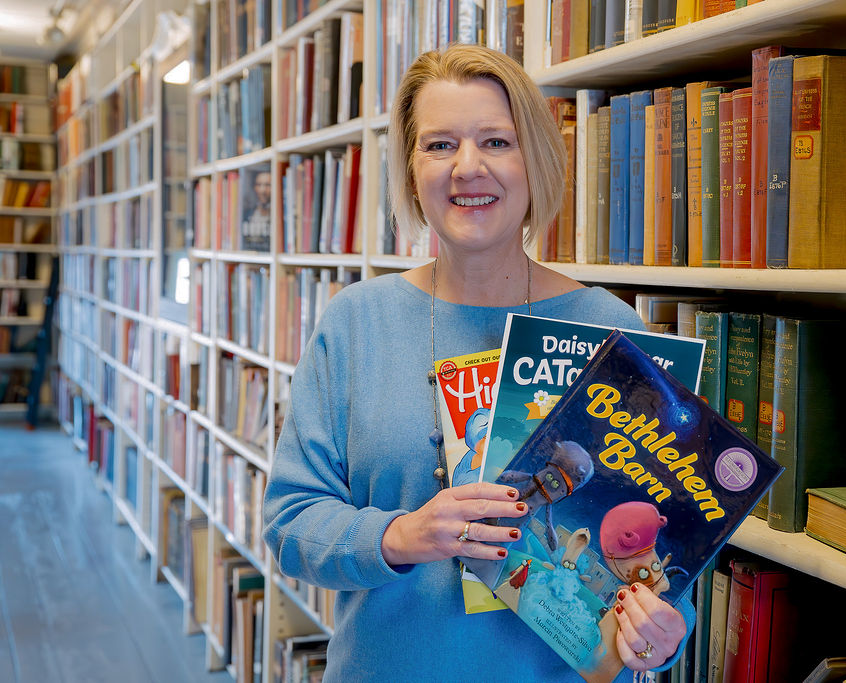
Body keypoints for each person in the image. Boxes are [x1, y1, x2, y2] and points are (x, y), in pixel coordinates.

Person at [262, 44, 694, 682]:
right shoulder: (357, 320)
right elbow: (290, 521)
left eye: (496, 141)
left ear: (535, 163)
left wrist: (661, 637)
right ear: (411, 170)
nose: (468, 168)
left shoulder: (611, 331)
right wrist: (404, 535)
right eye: (439, 145)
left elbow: (663, 571)